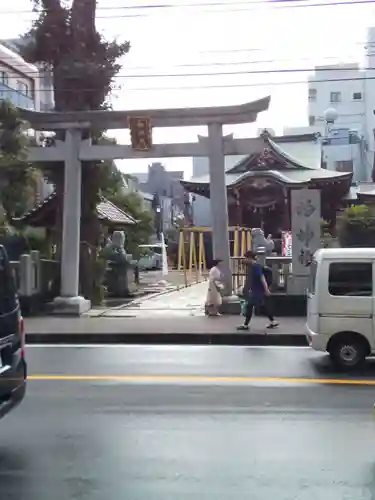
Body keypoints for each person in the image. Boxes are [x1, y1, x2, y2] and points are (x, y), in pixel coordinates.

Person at [237, 250, 279, 331]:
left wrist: (266, 289)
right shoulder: (253, 266)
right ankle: (273, 321)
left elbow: (262, 278)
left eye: (245, 258)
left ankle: (245, 325)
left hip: (257, 291)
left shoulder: (256, 266)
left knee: (251, 306)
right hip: (256, 290)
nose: (244, 260)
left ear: (249, 258)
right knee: (259, 307)